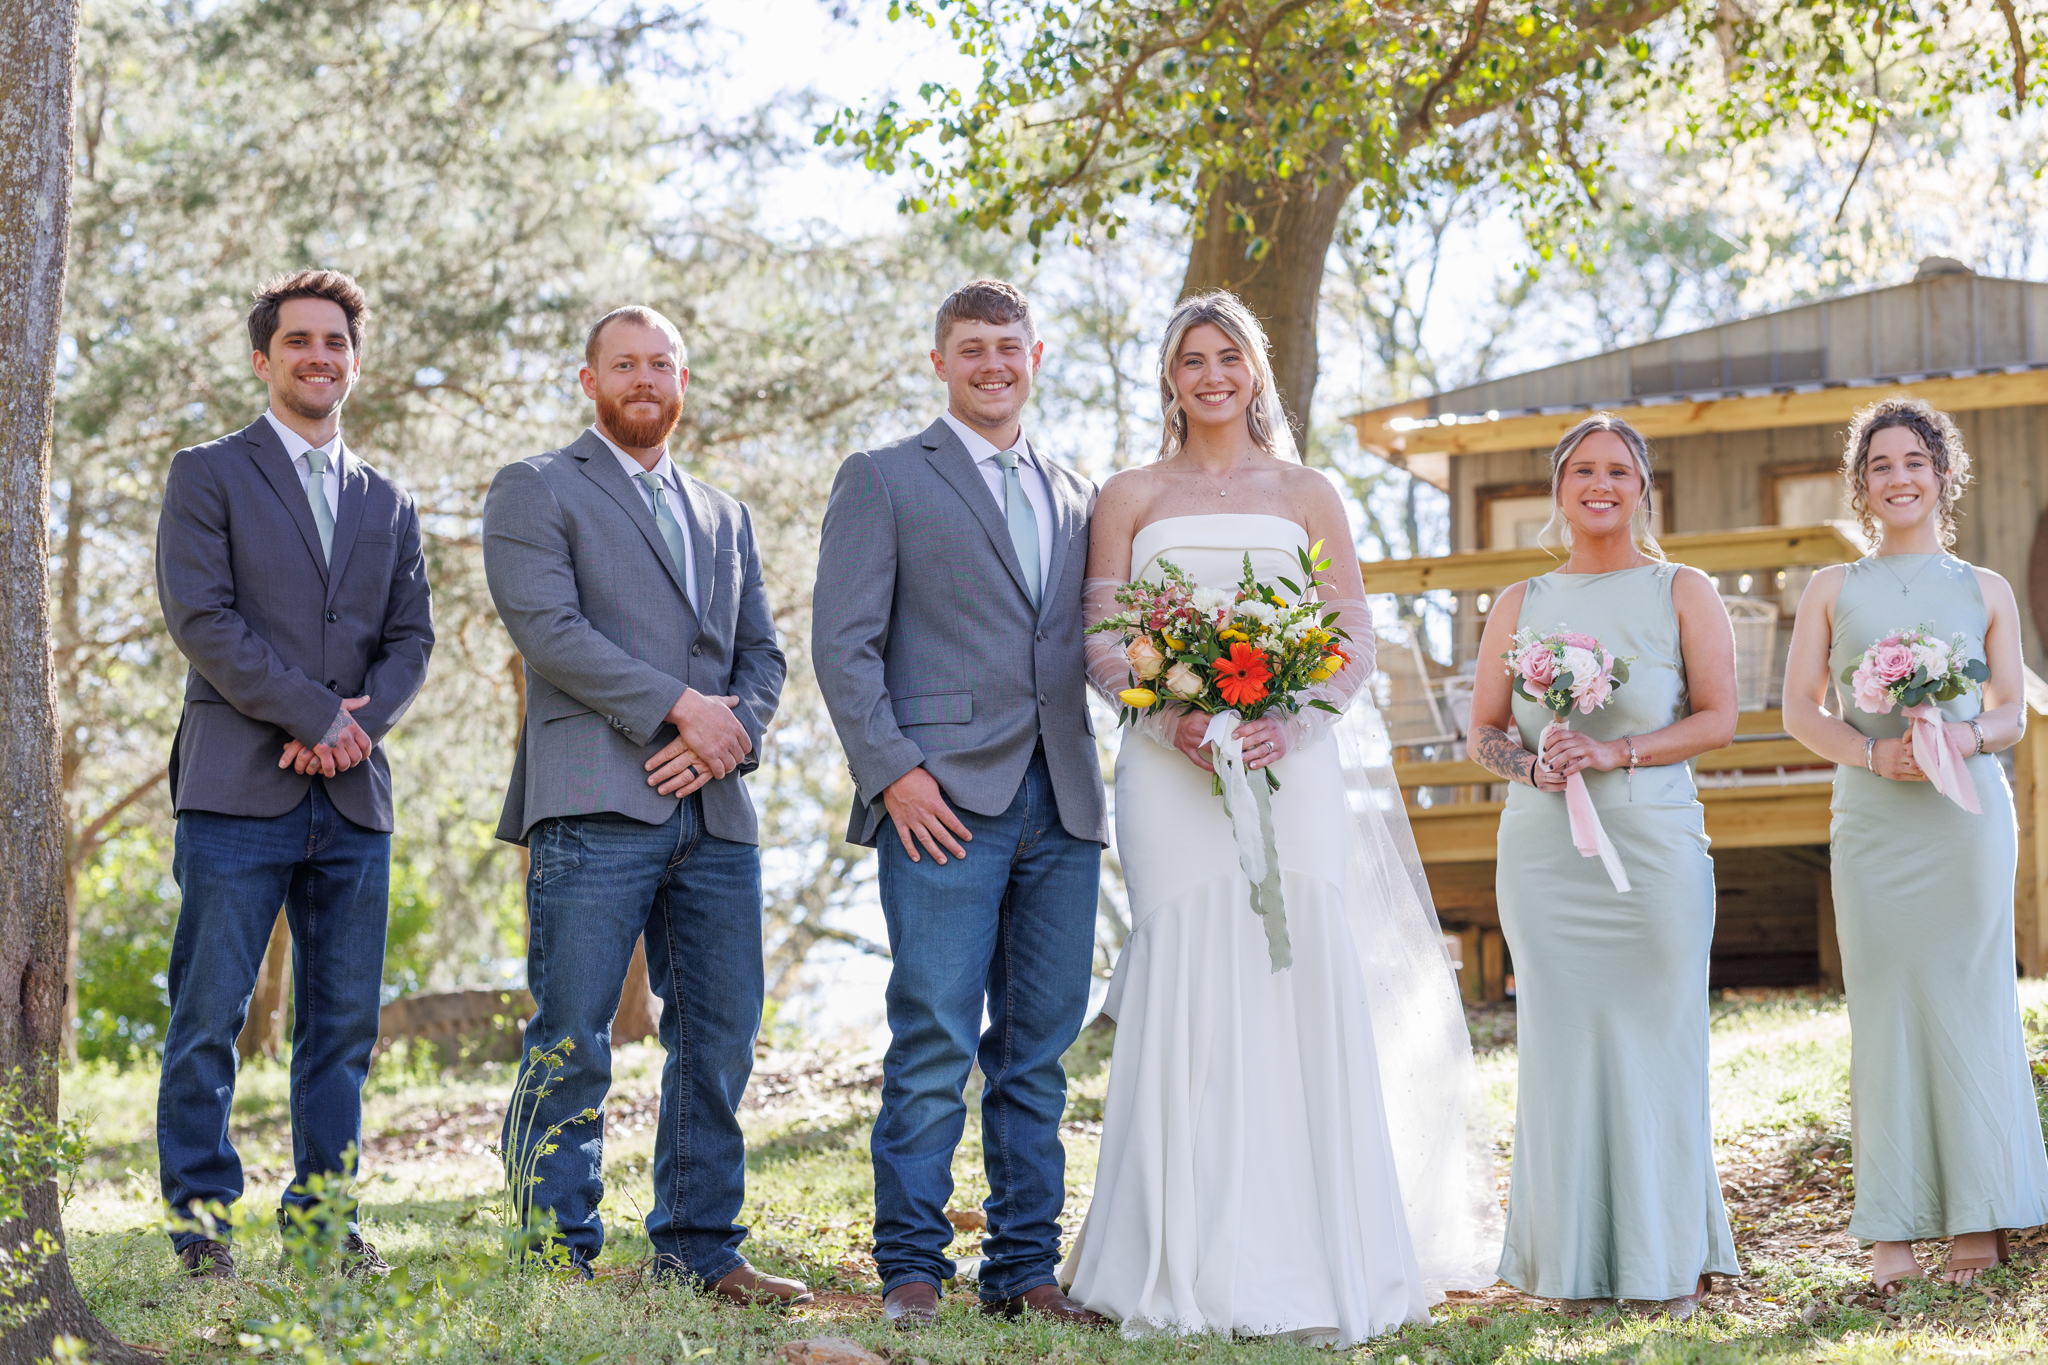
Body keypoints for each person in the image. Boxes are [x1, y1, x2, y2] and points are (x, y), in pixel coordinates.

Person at [1060, 291, 1503, 1345]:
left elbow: (1349, 628)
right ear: (1169, 378)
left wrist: (1289, 720)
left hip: (1289, 766)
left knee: (1292, 963)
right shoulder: (1127, 494)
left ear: (1254, 370)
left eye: (1228, 357)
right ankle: (1172, 1253)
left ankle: (1314, 1255)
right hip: (1167, 771)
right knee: (1186, 961)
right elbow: (1101, 635)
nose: (1211, 375)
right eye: (1191, 360)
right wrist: (1170, 716)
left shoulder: (1308, 492)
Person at [481, 305, 803, 1303]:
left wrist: (722, 737)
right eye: (624, 364)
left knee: (720, 1031)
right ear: (590, 381)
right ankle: (553, 1255)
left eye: (661, 364)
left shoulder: (724, 513)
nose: (644, 379)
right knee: (572, 1031)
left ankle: (700, 1245)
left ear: (682, 380)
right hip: (590, 799)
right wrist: (679, 710)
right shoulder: (537, 487)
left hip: (714, 811)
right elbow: (548, 629)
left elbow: (762, 656)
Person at [812, 280, 1107, 1328]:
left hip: (1063, 801)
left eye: (1008, 346)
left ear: (1037, 357)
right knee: (934, 1037)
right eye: (971, 348)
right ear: (939, 362)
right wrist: (895, 771)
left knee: (1038, 1050)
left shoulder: (1078, 492)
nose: (992, 364)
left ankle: (1024, 1270)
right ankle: (910, 1270)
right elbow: (842, 644)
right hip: (936, 802)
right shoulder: (885, 477)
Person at [154, 269, 434, 1280]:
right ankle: (202, 1228)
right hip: (235, 787)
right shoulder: (207, 474)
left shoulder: (388, 499)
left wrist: (353, 732)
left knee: (342, 1027)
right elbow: (203, 619)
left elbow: (410, 640)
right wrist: (315, 716)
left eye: (336, 342)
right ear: (263, 359)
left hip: (352, 801)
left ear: (355, 361)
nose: (320, 357)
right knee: (209, 1014)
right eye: (300, 341)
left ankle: (323, 1222)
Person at [1465, 413, 1739, 1315]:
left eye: (1619, 470)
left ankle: (1669, 1258)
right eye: (1583, 470)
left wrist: (1618, 753)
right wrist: (1531, 766)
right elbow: (1485, 731)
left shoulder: (1682, 589)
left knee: (1660, 1042)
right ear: (1558, 488)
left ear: (1642, 487)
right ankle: (1573, 1265)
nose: (1600, 484)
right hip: (1546, 857)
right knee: (1563, 1046)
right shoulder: (1520, 602)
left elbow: (1718, 718)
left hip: (1653, 847)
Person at [1781, 398, 2048, 1291]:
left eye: (1914, 462)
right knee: (1885, 1006)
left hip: (1964, 816)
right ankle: (1891, 1224)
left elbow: (2010, 712)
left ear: (1943, 474)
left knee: (1972, 999)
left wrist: (1957, 737)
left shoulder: (1986, 588)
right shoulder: (1832, 588)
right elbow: (1799, 709)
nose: (1899, 478)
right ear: (1862, 486)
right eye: (1880, 465)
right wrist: (1872, 752)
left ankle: (1979, 1213)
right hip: (1874, 817)